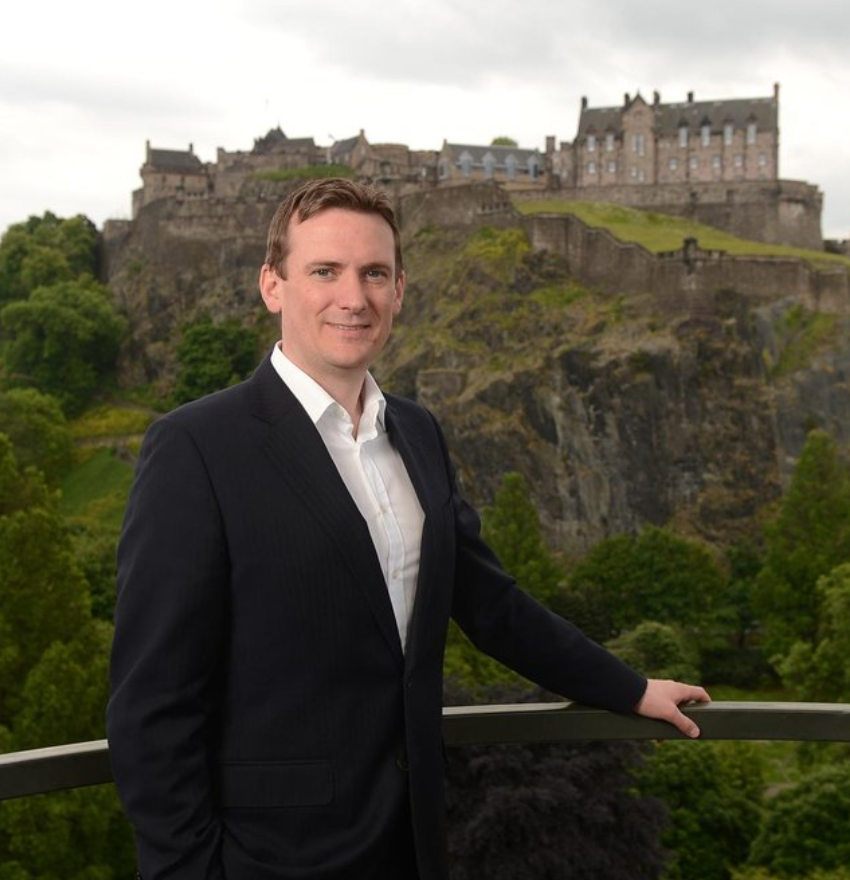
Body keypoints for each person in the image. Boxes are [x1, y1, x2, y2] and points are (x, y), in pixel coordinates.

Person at [107, 178, 709, 880]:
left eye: (375, 274)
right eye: (324, 271)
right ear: (273, 285)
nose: (353, 298)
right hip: (268, 857)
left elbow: (489, 603)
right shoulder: (196, 447)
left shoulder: (418, 433)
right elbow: (153, 703)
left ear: (400, 290)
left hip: (415, 841)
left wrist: (628, 688)